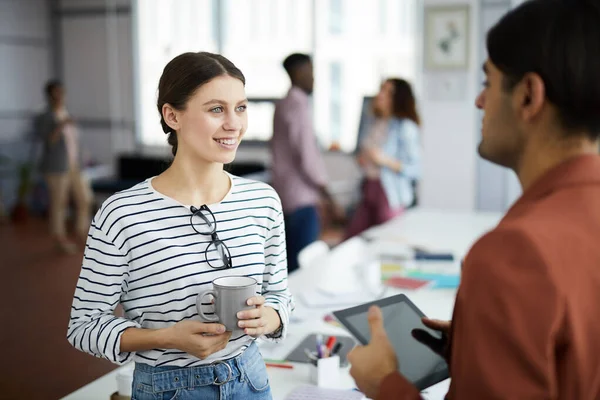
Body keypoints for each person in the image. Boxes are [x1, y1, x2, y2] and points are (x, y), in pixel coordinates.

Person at [348, 0, 600, 398]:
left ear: (528, 96)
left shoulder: (514, 253)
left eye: (487, 83)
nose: (480, 102)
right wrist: (478, 348)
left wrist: (386, 383)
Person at [67, 52, 294, 399]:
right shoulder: (123, 214)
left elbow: (280, 296)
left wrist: (272, 318)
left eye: (241, 107)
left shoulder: (262, 201)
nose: (234, 123)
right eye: (216, 109)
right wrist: (167, 337)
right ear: (172, 115)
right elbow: (84, 326)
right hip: (167, 389)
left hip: (251, 380)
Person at [271, 53, 342, 273]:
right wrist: (327, 193)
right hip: (301, 199)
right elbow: (307, 156)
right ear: (298, 73)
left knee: (291, 260)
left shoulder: (284, 103)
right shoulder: (297, 105)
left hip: (287, 195)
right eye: (310, 72)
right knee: (302, 267)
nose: (314, 79)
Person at [345, 78, 421, 239]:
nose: (380, 95)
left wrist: (383, 160)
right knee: (354, 237)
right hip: (368, 186)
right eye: (381, 89)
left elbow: (416, 169)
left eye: (388, 92)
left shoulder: (405, 127)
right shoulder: (373, 122)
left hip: (389, 192)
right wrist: (363, 159)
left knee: (388, 239)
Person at [37, 80, 93, 253]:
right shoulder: (45, 117)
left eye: (62, 92)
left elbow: (73, 141)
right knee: (59, 204)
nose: (60, 96)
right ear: (50, 96)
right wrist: (61, 125)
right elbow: (49, 141)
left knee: (85, 198)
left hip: (75, 165)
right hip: (56, 168)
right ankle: (59, 239)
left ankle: (81, 232)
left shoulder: (67, 113)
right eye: (56, 93)